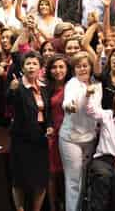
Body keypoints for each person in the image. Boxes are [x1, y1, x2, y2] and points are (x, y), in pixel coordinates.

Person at [8, 50, 53, 211]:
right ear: (23, 67)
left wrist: (49, 125)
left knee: (40, 181)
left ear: (40, 67)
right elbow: (8, 103)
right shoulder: (18, 85)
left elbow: (48, 111)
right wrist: (12, 90)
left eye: (35, 63)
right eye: (28, 63)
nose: (31, 66)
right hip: (21, 139)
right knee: (19, 180)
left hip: (40, 139)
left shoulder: (45, 87)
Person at [59, 51, 102, 211]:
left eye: (85, 66)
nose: (82, 69)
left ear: (91, 67)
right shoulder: (72, 83)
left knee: (85, 180)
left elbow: (94, 110)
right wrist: (70, 106)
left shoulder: (97, 85)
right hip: (71, 138)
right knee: (73, 181)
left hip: (90, 138)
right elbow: (68, 101)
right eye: (78, 67)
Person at [45, 54, 72, 211]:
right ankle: (53, 206)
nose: (57, 70)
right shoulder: (47, 87)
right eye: (54, 67)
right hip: (53, 135)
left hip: (70, 136)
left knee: (67, 175)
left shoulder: (73, 86)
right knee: (52, 174)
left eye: (61, 67)